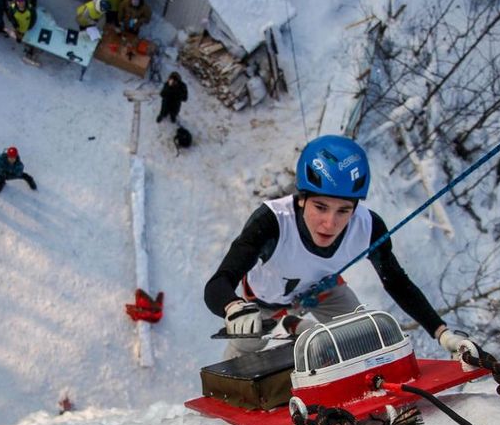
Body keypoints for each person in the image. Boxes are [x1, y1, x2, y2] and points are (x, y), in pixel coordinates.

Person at [204, 135, 480, 361]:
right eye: (320, 207)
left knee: (362, 336)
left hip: (321, 289)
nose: (330, 223)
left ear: (355, 208)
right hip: (263, 302)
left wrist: (441, 332)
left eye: (343, 211)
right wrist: (233, 306)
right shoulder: (272, 222)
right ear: (302, 199)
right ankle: (230, 387)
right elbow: (219, 282)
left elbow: (396, 282)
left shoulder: (368, 227)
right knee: (245, 346)